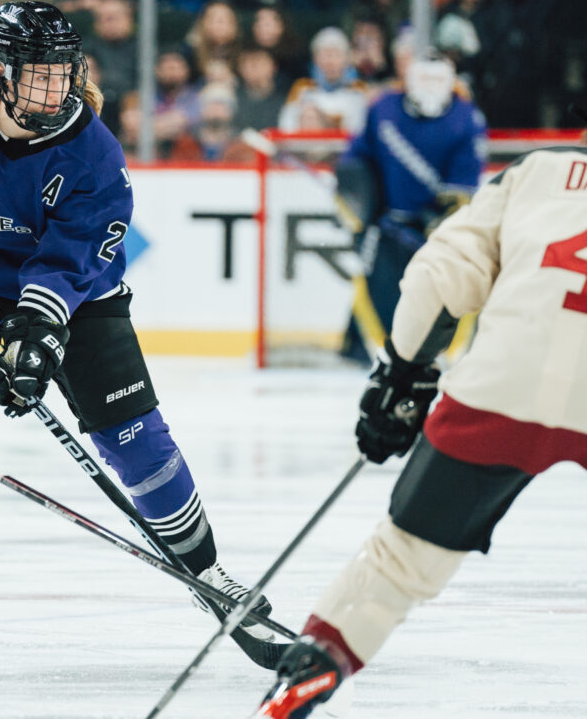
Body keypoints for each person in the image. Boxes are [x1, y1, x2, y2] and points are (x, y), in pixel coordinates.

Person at [0, 1, 283, 666]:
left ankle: (206, 573)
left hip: (77, 302)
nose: (52, 88)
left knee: (135, 439)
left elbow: (70, 263)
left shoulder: (93, 155)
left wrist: (36, 335)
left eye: (60, 73)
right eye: (35, 75)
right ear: (0, 73)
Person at [252, 128, 587, 719]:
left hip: (507, 377)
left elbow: (439, 274)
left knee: (400, 561)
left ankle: (312, 670)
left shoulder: (536, 170)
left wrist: (403, 376)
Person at [335, 51, 487, 363]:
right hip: (387, 223)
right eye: (424, 79)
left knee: (454, 291)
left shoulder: (467, 118)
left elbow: (464, 183)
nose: (430, 87)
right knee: (374, 286)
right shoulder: (384, 108)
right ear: (408, 80)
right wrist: (356, 197)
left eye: (438, 79)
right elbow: (358, 157)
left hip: (439, 229)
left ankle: (449, 354)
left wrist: (448, 216)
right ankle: (369, 351)